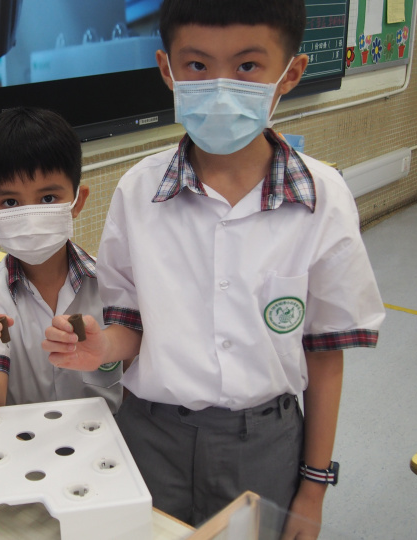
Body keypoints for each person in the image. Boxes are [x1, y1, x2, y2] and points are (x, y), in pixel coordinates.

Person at [42, 0, 385, 536]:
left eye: (247, 66)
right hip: (150, 435)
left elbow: (324, 355)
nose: (221, 87)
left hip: (264, 443)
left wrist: (313, 489)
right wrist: (100, 347)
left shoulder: (324, 198)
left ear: (290, 73)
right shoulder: (138, 192)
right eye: (198, 65)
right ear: (167, 69)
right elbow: (131, 327)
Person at [0, 107, 122, 413]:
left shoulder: (111, 284)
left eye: (48, 198)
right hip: (25, 438)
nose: (31, 216)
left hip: (110, 434)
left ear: (77, 201)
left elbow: (138, 372)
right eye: (10, 202)